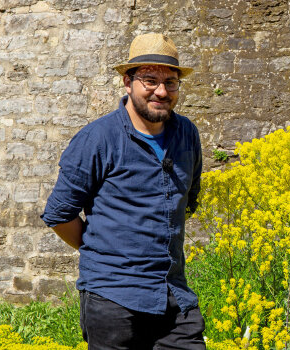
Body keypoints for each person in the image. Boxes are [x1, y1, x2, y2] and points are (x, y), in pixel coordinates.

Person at [41, 33, 205, 349]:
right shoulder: (98, 138)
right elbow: (59, 214)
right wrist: (107, 252)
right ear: (127, 83)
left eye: (171, 82)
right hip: (113, 299)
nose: (161, 91)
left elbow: (188, 200)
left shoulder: (187, 133)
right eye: (150, 80)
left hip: (174, 295)